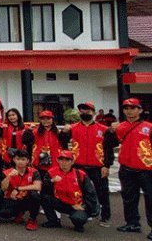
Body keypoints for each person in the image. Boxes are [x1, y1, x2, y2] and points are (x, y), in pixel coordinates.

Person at [59, 102, 114, 227]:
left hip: (98, 166)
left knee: (102, 192)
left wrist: (107, 165)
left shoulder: (103, 129)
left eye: (88, 111)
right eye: (82, 111)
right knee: (82, 192)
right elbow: (62, 143)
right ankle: (86, 213)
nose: (85, 113)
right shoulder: (73, 128)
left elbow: (109, 149)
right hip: (79, 166)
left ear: (94, 113)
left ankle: (105, 217)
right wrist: (64, 132)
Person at [109, 98, 152, 238]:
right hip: (126, 168)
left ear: (140, 110)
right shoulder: (120, 127)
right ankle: (132, 223)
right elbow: (111, 144)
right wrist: (111, 131)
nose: (129, 111)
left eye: (133, 108)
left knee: (150, 199)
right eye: (126, 108)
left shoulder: (149, 127)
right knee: (129, 198)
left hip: (146, 169)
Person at [40, 150, 99, 233]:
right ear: (57, 161)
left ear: (72, 162)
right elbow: (44, 189)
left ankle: (78, 224)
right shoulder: (51, 172)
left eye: (67, 160)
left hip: (77, 204)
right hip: (61, 202)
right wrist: (51, 181)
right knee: (43, 197)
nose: (64, 163)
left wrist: (85, 206)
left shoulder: (80, 174)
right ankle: (53, 221)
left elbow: (90, 193)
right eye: (61, 160)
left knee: (78, 218)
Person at [0, 149, 42, 231]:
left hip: (27, 199)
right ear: (14, 159)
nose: (20, 162)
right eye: (18, 159)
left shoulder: (34, 171)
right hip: (13, 199)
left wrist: (18, 189)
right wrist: (9, 176)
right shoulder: (7, 172)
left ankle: (32, 219)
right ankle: (19, 213)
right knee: (2, 213)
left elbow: (38, 186)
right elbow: (3, 188)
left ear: (27, 161)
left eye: (23, 159)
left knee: (35, 195)